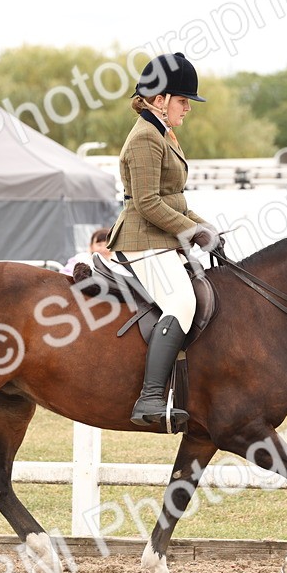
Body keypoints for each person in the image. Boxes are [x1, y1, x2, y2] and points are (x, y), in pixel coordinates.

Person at [106, 52, 222, 427]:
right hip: (142, 240)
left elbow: (174, 199)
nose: (188, 109)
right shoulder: (145, 138)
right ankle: (151, 398)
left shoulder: (162, 133)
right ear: (160, 100)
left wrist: (207, 229)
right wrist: (191, 232)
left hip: (159, 237)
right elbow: (147, 203)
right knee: (182, 301)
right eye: (183, 100)